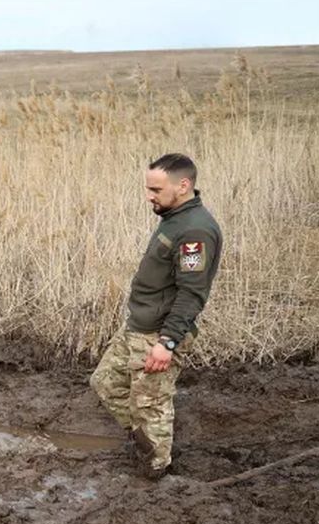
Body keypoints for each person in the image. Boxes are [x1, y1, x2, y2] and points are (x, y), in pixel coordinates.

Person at [90, 153, 223, 478]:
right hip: (138, 326)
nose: (149, 196)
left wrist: (168, 342)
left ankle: (155, 473)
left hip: (158, 334)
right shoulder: (174, 217)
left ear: (183, 185)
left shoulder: (195, 232)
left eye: (156, 190)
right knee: (105, 383)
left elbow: (192, 293)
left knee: (150, 406)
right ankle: (145, 442)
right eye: (148, 188)